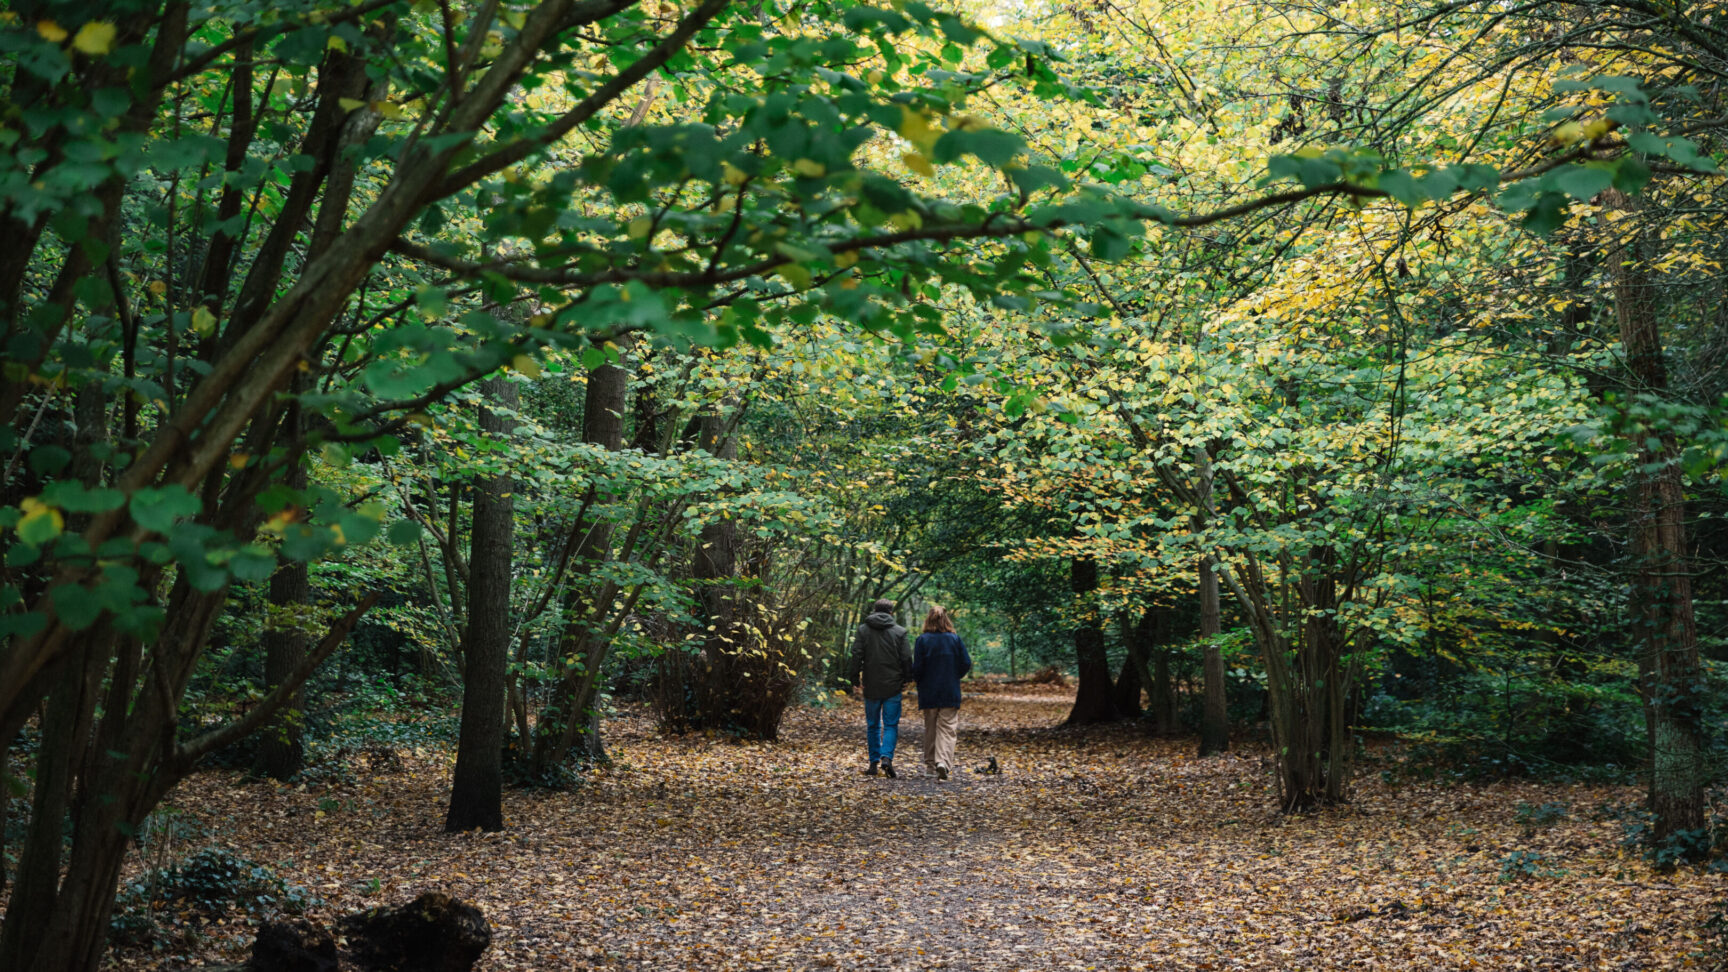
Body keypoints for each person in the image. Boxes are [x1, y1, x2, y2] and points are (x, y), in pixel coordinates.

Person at [851, 598, 912, 778]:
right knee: (891, 724)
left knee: (873, 725)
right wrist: (908, 677)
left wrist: (854, 677)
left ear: (874, 610)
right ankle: (887, 756)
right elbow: (907, 658)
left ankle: (873, 763)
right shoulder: (900, 632)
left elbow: (856, 654)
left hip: (871, 683)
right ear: (891, 613)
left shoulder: (863, 630)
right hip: (893, 684)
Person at [911, 604, 971, 781]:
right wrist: (954, 675)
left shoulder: (922, 640)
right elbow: (966, 663)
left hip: (929, 690)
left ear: (928, 619)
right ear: (946, 620)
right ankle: (942, 762)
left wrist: (919, 680)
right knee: (947, 728)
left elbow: (918, 667)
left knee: (930, 728)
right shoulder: (955, 640)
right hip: (949, 690)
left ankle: (930, 766)